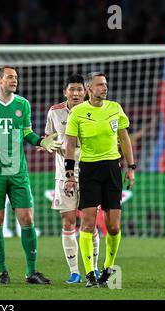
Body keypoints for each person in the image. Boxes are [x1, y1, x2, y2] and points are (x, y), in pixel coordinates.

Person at [0, 66, 61, 285]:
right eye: (9, 77)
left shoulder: (22, 104)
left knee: (27, 219)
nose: (14, 80)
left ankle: (31, 272)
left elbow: (26, 132)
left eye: (16, 77)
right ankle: (2, 272)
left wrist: (40, 141)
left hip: (18, 172)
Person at [64, 72, 135, 287]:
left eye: (105, 84)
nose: (104, 88)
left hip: (113, 168)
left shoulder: (115, 108)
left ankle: (108, 268)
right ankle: (90, 274)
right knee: (87, 223)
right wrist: (69, 174)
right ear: (88, 89)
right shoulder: (78, 112)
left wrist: (131, 167)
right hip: (89, 170)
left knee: (113, 226)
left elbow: (124, 138)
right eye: (100, 85)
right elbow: (69, 143)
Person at [44, 74, 100, 284]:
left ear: (85, 92)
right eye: (72, 90)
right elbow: (48, 137)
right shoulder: (55, 112)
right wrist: (49, 144)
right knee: (68, 222)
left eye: (79, 89)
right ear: (65, 92)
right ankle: (75, 271)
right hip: (63, 176)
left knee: (90, 224)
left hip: (89, 173)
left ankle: (92, 269)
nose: (76, 93)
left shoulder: (93, 111)